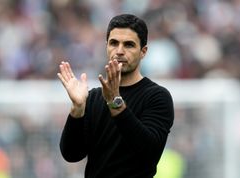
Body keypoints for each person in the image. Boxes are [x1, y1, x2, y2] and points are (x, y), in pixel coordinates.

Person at [57, 14, 174, 178]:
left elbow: (148, 152)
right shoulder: (93, 98)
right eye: (114, 43)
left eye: (129, 45)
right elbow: (72, 154)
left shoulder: (157, 96)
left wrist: (114, 102)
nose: (119, 51)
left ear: (143, 51)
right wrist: (77, 109)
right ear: (106, 47)